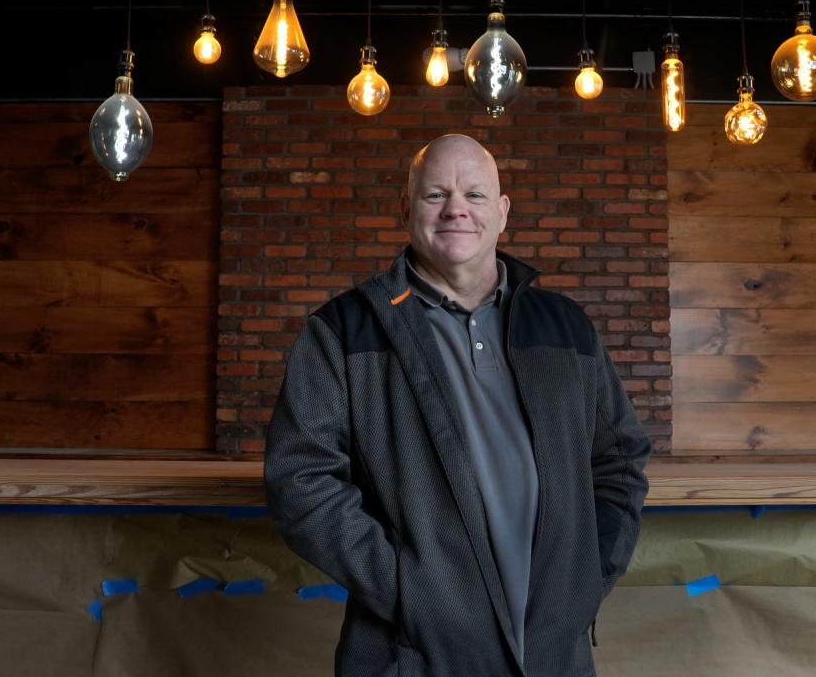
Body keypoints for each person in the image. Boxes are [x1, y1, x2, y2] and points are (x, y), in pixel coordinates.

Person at [265, 133, 651, 677]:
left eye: (474, 195)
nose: (456, 210)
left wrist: (586, 578)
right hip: (414, 655)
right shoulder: (344, 331)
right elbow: (299, 480)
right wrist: (410, 592)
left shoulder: (566, 327)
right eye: (435, 195)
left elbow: (619, 460)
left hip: (555, 656)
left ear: (502, 212)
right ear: (406, 210)